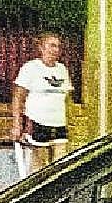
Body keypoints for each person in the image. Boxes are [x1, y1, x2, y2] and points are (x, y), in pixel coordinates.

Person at [11, 32, 71, 164]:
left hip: (59, 124)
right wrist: (17, 124)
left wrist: (69, 121)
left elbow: (66, 99)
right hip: (38, 123)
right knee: (40, 165)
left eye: (58, 47)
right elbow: (18, 97)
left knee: (61, 164)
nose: (55, 50)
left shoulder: (62, 69)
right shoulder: (31, 68)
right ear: (42, 48)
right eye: (52, 46)